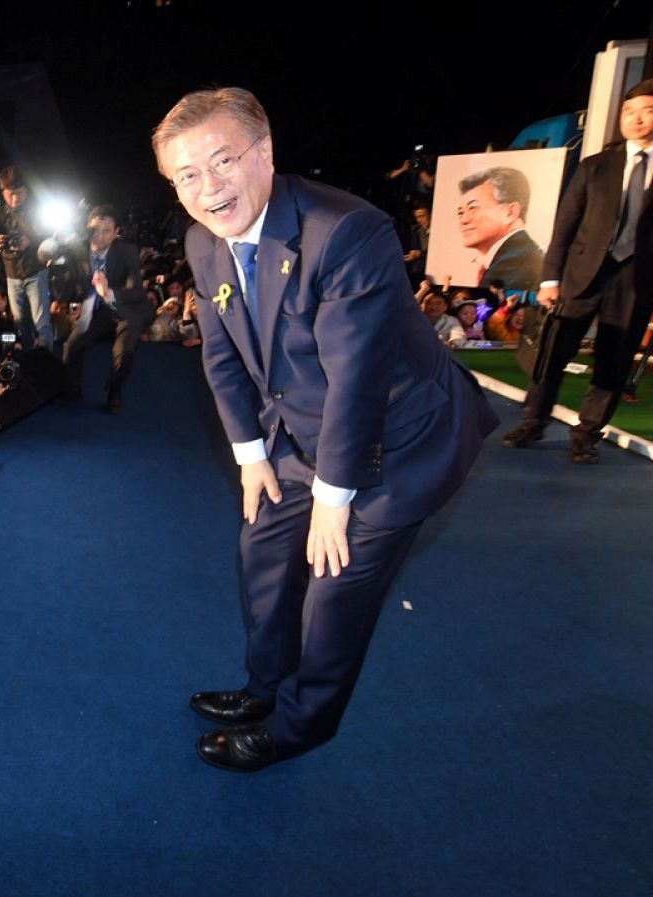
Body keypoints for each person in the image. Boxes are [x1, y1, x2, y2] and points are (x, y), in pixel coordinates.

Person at [152, 87, 496, 771]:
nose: (208, 189)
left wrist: (335, 500)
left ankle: (304, 723)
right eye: (186, 176)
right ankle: (264, 688)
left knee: (333, 586)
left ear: (266, 152)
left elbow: (359, 379)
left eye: (222, 161)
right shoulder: (203, 241)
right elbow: (221, 354)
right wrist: (250, 455)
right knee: (264, 556)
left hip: (398, 438)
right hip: (299, 431)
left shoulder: (346, 231)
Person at [503, 78, 653, 464]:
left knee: (614, 362)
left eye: (647, 111)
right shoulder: (595, 165)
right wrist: (550, 277)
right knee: (553, 353)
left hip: (635, 279)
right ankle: (533, 421)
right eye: (629, 112)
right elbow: (565, 225)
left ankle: (587, 433)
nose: (636, 119)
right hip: (581, 273)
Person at [59, 204, 153, 412]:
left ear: (116, 232)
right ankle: (72, 390)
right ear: (87, 227)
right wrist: (56, 277)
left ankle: (115, 392)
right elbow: (67, 288)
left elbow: (135, 289)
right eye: (95, 229)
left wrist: (107, 292)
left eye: (106, 231)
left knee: (123, 350)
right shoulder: (77, 252)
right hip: (96, 309)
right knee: (72, 345)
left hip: (128, 309)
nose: (99, 236)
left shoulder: (128, 251)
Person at [0, 166, 54, 351]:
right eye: (10, 194)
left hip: (35, 271)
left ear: (27, 190)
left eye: (19, 193)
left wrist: (30, 240)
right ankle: (27, 364)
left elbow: (51, 235)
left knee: (42, 324)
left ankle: (48, 364)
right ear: (3, 192)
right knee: (20, 325)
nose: (15, 199)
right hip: (12, 275)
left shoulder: (37, 209)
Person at [456, 167, 544, 291]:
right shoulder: (512, 255)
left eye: (473, 208)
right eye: (460, 212)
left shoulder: (513, 262)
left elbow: (485, 308)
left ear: (511, 212)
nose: (464, 220)